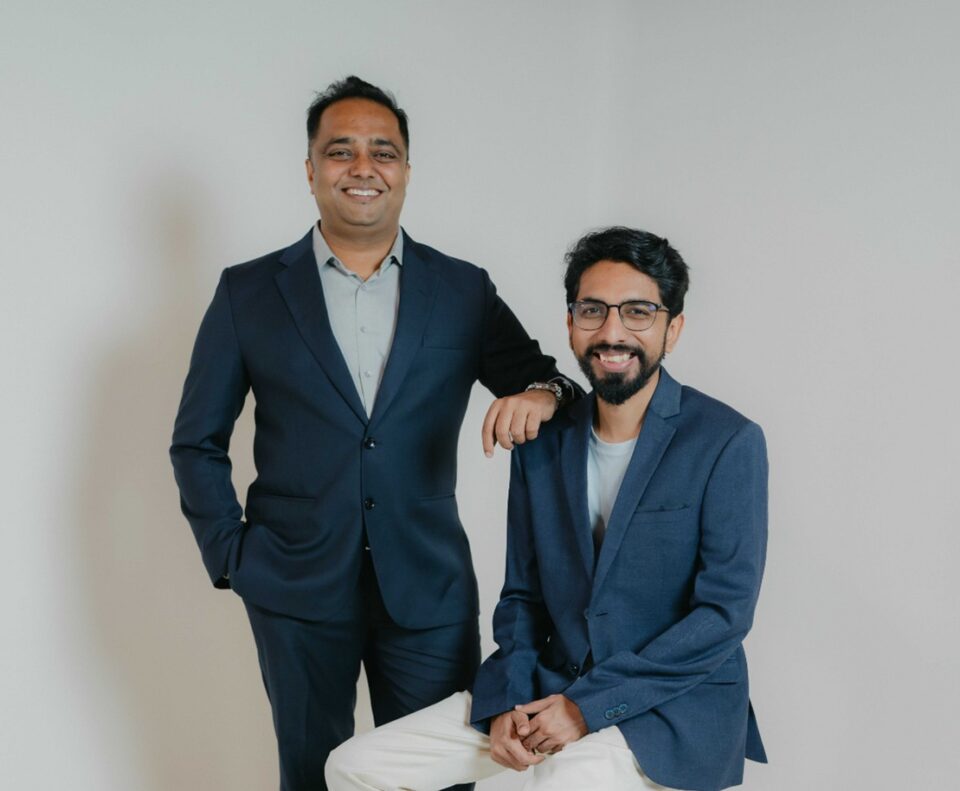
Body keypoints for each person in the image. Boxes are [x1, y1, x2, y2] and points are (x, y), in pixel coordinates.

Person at [169, 76, 579, 791]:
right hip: (293, 585)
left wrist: (542, 395)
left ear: (406, 170)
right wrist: (233, 556)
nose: (363, 167)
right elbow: (196, 441)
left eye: (382, 152)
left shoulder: (462, 290)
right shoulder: (249, 292)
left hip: (428, 588)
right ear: (310, 170)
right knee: (311, 775)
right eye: (341, 151)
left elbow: (550, 382)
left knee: (438, 774)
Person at [325, 226, 768, 791]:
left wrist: (586, 707)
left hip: (669, 708)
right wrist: (509, 698)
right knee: (354, 767)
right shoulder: (544, 440)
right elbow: (523, 596)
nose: (612, 332)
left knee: (554, 780)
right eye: (592, 310)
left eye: (638, 312)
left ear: (672, 328)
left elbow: (723, 616)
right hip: (548, 686)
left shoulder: (726, 441)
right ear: (570, 323)